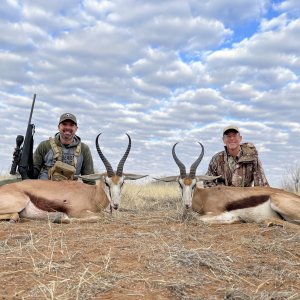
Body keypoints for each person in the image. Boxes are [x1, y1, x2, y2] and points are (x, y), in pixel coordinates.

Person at [33, 113, 95, 183]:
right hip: (44, 191)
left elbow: (90, 181)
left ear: (76, 129)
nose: (68, 128)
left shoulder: (84, 149)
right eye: (64, 124)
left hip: (70, 192)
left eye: (71, 125)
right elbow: (32, 174)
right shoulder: (44, 145)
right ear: (59, 127)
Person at [204, 125, 269, 188]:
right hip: (223, 197)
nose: (232, 138)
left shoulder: (252, 158)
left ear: (240, 138)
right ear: (223, 140)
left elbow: (262, 185)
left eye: (235, 136)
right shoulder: (216, 159)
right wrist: (220, 194)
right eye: (228, 136)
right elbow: (207, 182)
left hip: (245, 197)